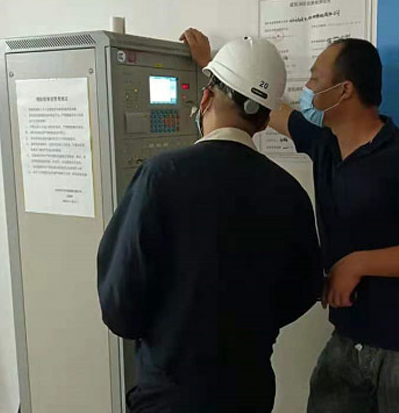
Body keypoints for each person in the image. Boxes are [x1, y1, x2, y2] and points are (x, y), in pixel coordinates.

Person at [185, 31, 399, 413]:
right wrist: (213, 66)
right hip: (350, 336)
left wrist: (357, 263)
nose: (308, 88)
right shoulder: (325, 145)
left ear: (344, 90)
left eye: (315, 78)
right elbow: (266, 107)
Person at [97, 30, 321, 413]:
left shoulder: (161, 176)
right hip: (249, 390)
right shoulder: (288, 191)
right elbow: (304, 288)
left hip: (170, 393)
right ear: (264, 122)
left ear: (205, 99)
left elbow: (119, 303)